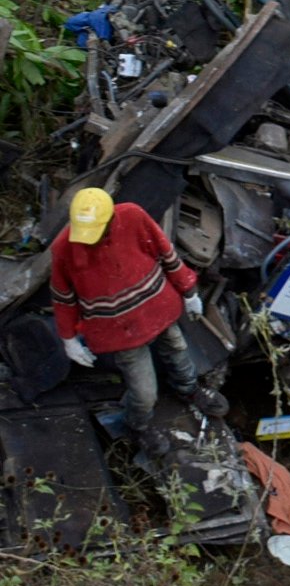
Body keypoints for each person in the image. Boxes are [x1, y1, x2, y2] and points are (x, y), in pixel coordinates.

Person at [52, 186, 225, 453]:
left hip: (157, 308)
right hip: (118, 330)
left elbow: (167, 254)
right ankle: (138, 425)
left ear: (110, 219)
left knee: (178, 350)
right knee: (144, 393)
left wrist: (189, 292)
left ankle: (189, 389)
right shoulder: (64, 248)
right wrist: (68, 338)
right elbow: (63, 297)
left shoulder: (132, 216)